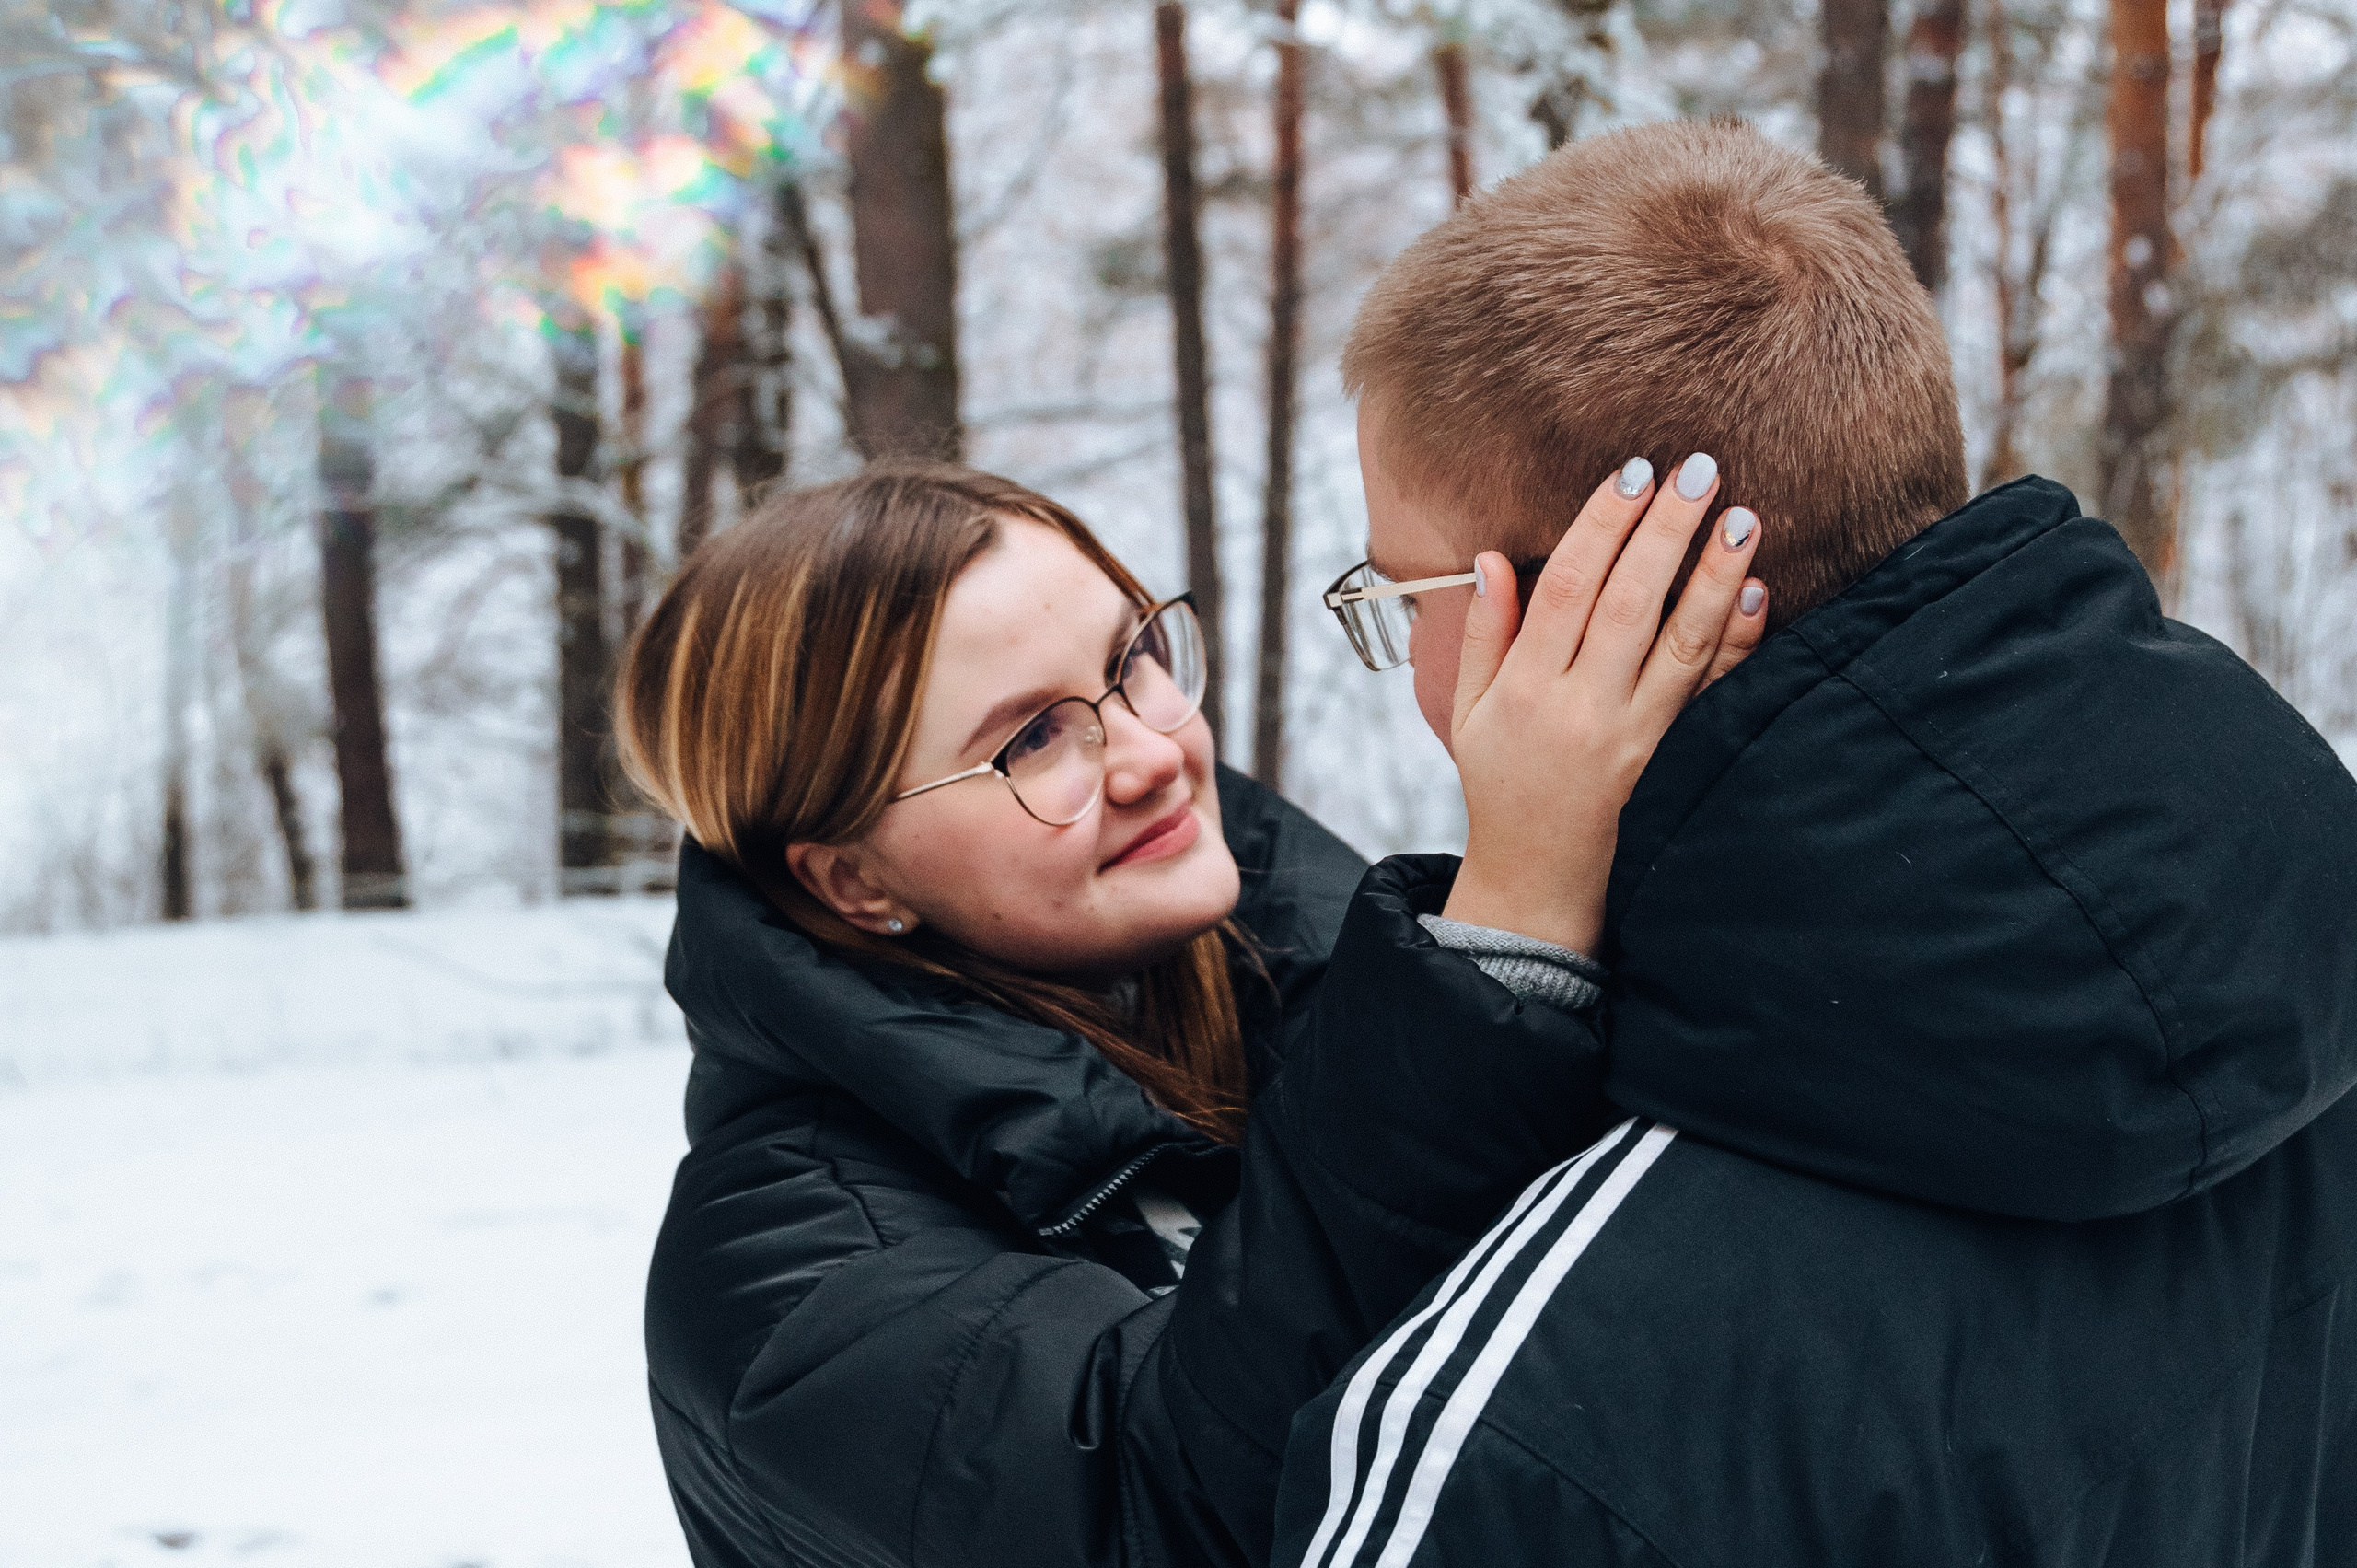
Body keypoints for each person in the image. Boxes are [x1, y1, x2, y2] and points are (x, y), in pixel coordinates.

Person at [1273, 120, 2357, 1567]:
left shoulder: (1534, 1431)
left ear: (1610, 605)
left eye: (1405, 596)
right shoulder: (2296, 970)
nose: (1406, 657)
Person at [618, 463, 1760, 1567]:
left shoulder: (1319, 989)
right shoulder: (779, 1280)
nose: (1153, 752)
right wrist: (1504, 931)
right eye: (1029, 740)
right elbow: (1171, 1512)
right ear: (852, 882)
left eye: (1136, 660)